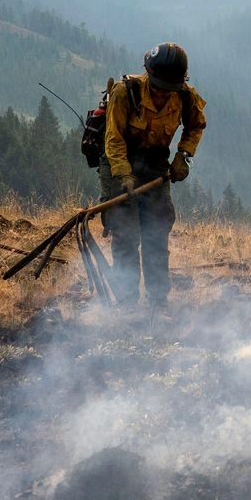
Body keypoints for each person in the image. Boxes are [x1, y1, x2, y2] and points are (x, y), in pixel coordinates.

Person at [100, 42, 206, 308]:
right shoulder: (126, 93)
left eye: (168, 89)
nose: (162, 93)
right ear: (148, 73)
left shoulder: (185, 96)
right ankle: (126, 302)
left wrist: (183, 155)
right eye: (158, 86)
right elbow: (113, 140)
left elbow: (196, 126)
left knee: (156, 231)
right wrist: (124, 176)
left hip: (156, 162)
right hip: (119, 159)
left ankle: (158, 301)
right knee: (125, 232)